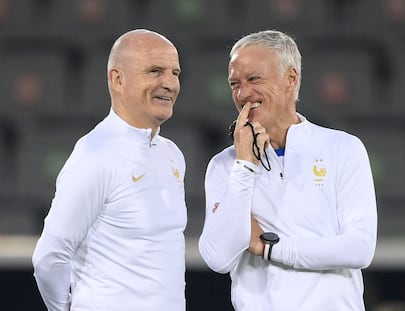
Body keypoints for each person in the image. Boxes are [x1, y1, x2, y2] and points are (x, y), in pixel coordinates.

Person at [198, 30, 377, 310]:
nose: (243, 94)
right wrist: (245, 165)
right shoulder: (225, 165)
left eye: (254, 79)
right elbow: (218, 258)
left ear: (290, 79)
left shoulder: (342, 148)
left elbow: (360, 248)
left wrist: (270, 248)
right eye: (235, 83)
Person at [32, 29, 187, 311]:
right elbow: (50, 256)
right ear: (118, 79)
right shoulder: (95, 155)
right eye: (155, 71)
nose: (169, 83)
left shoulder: (172, 155)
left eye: (175, 73)